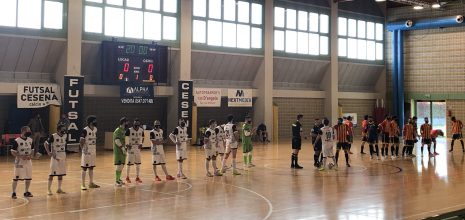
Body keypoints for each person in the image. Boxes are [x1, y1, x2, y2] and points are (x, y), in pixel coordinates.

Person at [11, 126, 35, 199]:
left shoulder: (30, 140)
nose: (29, 132)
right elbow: (12, 152)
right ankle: (13, 192)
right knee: (16, 177)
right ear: (23, 131)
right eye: (28, 130)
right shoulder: (17, 141)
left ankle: (26, 192)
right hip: (19, 162)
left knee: (28, 177)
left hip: (28, 162)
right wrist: (21, 156)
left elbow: (32, 149)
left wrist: (31, 155)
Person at [44, 124, 68, 195]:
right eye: (63, 129)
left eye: (64, 129)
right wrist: (49, 152)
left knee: (60, 174)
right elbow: (46, 144)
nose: (64, 130)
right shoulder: (53, 136)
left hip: (62, 156)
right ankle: (49, 189)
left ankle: (59, 189)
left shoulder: (65, 136)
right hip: (55, 158)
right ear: (58, 130)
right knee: (51, 174)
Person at [80, 115, 100, 190]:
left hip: (93, 151)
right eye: (95, 120)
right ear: (91, 122)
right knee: (84, 168)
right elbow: (81, 141)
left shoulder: (95, 129)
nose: (96, 122)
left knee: (91, 167)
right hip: (86, 152)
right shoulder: (85, 130)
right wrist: (83, 149)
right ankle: (83, 184)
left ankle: (91, 183)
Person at [125, 118, 144, 184]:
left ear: (139, 125)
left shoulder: (141, 130)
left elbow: (142, 137)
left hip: (137, 149)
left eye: (137, 124)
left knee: (138, 163)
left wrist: (141, 144)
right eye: (135, 124)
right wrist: (127, 145)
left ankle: (137, 177)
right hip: (131, 148)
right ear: (133, 124)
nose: (136, 126)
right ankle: (127, 177)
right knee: (129, 164)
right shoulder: (129, 130)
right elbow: (126, 138)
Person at [113, 117, 128, 187]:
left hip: (123, 150)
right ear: (123, 122)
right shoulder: (117, 130)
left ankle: (119, 179)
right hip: (118, 151)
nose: (127, 123)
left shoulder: (124, 130)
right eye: (126, 122)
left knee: (122, 165)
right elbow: (117, 141)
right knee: (119, 166)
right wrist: (122, 148)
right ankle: (116, 181)